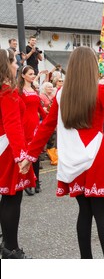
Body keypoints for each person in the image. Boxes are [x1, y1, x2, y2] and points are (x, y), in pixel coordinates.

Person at [19, 46, 104, 259]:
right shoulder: (101, 91)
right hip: (96, 156)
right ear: (92, 67)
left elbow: (47, 127)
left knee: (84, 212)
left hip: (72, 159)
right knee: (101, 212)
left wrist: (30, 156)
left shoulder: (62, 94)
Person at [0, 49, 35, 259]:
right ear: (6, 64)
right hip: (9, 150)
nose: (17, 65)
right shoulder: (8, 90)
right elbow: (13, 125)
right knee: (11, 199)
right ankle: (11, 249)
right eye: (14, 61)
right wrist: (22, 155)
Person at [18, 65, 47, 195]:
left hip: (36, 124)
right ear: (23, 75)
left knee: (35, 154)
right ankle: (26, 180)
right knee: (27, 154)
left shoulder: (34, 90)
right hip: (25, 125)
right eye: (30, 74)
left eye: (33, 74)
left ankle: (36, 180)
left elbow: (40, 108)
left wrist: (49, 120)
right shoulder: (19, 91)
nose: (33, 76)